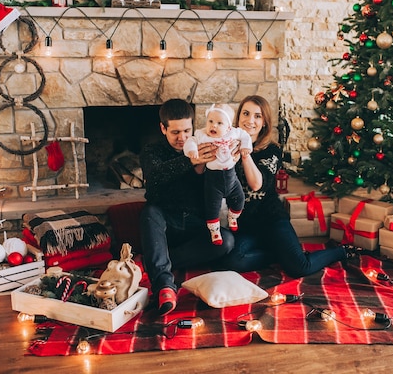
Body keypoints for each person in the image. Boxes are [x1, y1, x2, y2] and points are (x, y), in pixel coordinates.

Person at [219, 95, 348, 278]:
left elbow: (256, 185)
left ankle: (341, 251)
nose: (250, 120)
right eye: (246, 114)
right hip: (245, 225)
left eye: (257, 116)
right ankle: (276, 255)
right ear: (238, 117)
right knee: (231, 261)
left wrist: (245, 154)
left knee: (299, 267)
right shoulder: (228, 145)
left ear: (264, 122)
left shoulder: (272, 150)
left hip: (271, 220)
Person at [139, 99, 235, 316]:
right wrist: (189, 161)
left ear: (194, 126)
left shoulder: (207, 146)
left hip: (195, 225)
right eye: (175, 132)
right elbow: (155, 178)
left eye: (186, 130)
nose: (182, 138)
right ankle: (164, 285)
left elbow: (222, 188)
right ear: (163, 128)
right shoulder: (151, 151)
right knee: (149, 212)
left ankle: (157, 260)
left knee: (226, 241)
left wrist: (227, 162)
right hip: (165, 222)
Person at [183, 103, 252, 245]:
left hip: (231, 178)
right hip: (213, 180)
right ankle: (215, 231)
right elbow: (191, 141)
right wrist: (191, 150)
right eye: (210, 121)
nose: (213, 126)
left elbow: (245, 136)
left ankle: (233, 217)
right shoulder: (202, 135)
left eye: (219, 123)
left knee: (240, 199)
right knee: (212, 207)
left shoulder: (233, 133)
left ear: (228, 127)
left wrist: (245, 147)